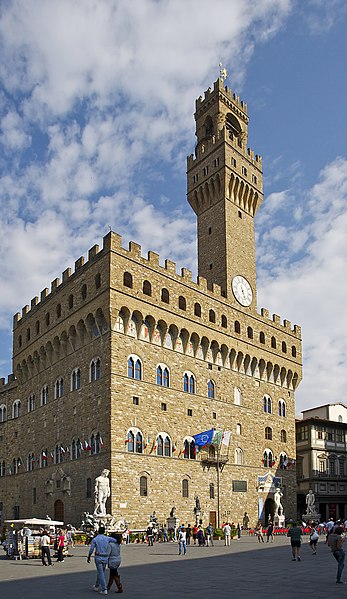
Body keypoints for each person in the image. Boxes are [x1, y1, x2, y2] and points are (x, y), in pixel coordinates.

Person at [87, 526, 117, 595]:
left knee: (101, 573)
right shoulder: (107, 538)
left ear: (98, 531)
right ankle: (96, 586)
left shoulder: (95, 539)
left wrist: (89, 556)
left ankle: (104, 589)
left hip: (98, 558)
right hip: (105, 558)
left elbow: (91, 549)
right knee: (101, 572)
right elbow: (115, 540)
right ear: (104, 531)